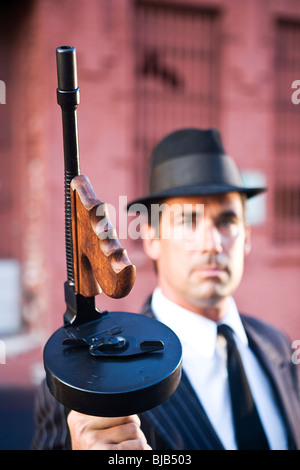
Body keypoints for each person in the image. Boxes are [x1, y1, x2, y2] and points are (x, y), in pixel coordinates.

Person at [32, 128, 300, 450]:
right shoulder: (88, 385)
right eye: (189, 221)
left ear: (247, 235)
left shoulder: (278, 348)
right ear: (151, 237)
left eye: (227, 221)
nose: (212, 244)